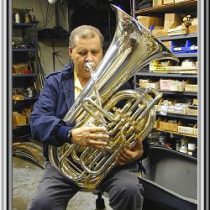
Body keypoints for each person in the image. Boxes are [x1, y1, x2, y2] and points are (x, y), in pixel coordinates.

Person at [28, 25, 146, 210]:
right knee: (43, 203)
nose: (89, 59)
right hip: (65, 164)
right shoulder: (55, 83)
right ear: (70, 52)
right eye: (82, 52)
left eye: (95, 52)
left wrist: (139, 151)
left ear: (102, 52)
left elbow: (137, 125)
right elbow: (37, 122)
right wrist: (70, 133)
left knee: (129, 190)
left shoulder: (119, 83)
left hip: (109, 162)